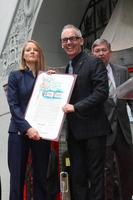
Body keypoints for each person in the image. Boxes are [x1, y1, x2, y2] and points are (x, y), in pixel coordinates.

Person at [61, 24, 110, 200]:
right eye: (65, 40)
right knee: (77, 177)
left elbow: (101, 93)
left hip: (93, 130)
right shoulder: (68, 68)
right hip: (74, 133)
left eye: (73, 38)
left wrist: (76, 107)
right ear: (61, 44)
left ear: (81, 40)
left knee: (96, 177)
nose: (69, 42)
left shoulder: (93, 62)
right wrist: (51, 80)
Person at [7, 40, 51, 200]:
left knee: (41, 177)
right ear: (23, 56)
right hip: (19, 132)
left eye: (35, 50)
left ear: (39, 55)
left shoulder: (46, 77)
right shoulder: (15, 76)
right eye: (28, 50)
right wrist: (27, 128)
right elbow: (14, 106)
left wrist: (53, 82)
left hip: (41, 133)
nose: (32, 52)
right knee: (17, 178)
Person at [92, 38, 133, 200]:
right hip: (103, 129)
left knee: (127, 171)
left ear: (110, 51)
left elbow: (130, 98)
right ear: (93, 53)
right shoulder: (91, 73)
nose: (101, 53)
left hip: (123, 129)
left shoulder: (122, 71)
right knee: (106, 172)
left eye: (104, 50)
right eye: (97, 51)